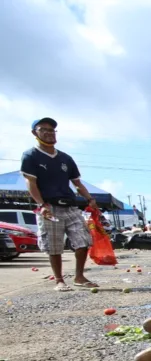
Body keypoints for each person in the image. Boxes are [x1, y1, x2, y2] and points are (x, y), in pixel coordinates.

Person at [20, 118, 98, 291]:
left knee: (83, 240)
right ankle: (59, 280)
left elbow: (77, 182)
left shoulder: (65, 158)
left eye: (52, 130)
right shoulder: (30, 156)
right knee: (54, 245)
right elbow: (30, 183)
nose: (49, 132)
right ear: (35, 133)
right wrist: (42, 205)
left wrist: (89, 199)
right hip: (49, 206)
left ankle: (79, 276)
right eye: (44, 129)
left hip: (69, 206)